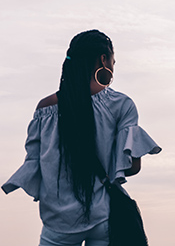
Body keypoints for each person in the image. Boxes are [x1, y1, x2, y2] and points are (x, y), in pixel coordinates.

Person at [1, 30, 162, 246]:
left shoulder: (44, 109)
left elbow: (36, 165)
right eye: (114, 60)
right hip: (102, 216)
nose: (114, 65)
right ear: (103, 59)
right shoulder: (121, 105)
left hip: (57, 221)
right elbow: (131, 168)